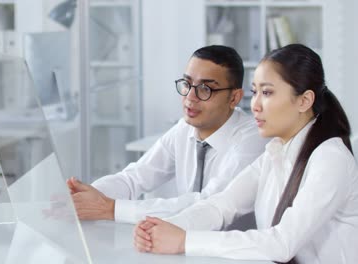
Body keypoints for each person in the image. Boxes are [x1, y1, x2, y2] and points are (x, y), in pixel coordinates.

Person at [133, 44, 358, 264]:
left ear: (304, 100)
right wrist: (164, 227)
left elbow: (282, 243)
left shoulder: (330, 159)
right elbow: (221, 205)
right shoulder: (274, 153)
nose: (255, 105)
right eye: (255, 92)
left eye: (267, 92)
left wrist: (184, 241)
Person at [67, 45, 269, 224]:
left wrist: (110, 208)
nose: (190, 97)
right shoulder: (185, 129)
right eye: (187, 84)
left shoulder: (252, 139)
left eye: (206, 89)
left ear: (234, 98)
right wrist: (85, 195)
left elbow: (207, 204)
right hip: (183, 248)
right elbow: (134, 178)